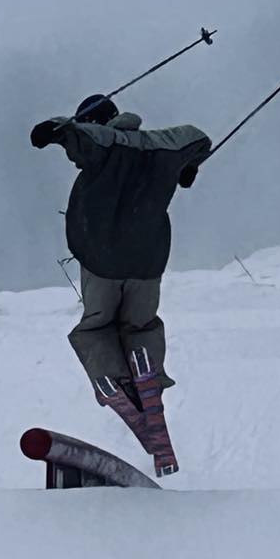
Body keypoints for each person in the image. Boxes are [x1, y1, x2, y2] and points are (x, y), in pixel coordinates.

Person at [30, 95, 210, 404]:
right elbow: (199, 138)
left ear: (95, 121)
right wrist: (188, 166)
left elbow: (76, 133)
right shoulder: (162, 144)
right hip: (147, 261)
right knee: (141, 325)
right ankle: (148, 380)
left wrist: (52, 129)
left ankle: (116, 383)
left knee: (97, 326)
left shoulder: (104, 141)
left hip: (102, 258)